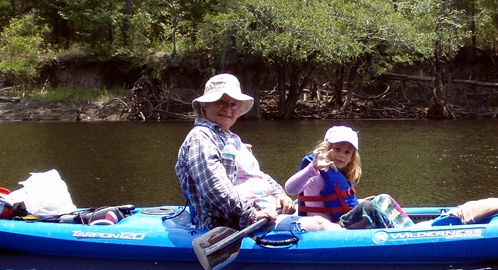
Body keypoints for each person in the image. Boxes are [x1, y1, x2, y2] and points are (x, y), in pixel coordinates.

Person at [175, 73, 295, 230]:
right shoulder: (201, 138)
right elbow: (214, 188)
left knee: (319, 218)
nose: (228, 109)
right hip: (232, 222)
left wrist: (279, 194)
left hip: (265, 211)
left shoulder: (232, 138)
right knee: (319, 225)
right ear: (205, 106)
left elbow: (255, 174)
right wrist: (251, 214)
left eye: (234, 104)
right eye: (221, 102)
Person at [286, 126, 412, 229]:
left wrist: (360, 201)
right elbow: (290, 189)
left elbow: (343, 202)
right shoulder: (317, 172)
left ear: (352, 157)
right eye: (337, 149)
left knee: (383, 198)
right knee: (368, 208)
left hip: (343, 220)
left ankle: (410, 229)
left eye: (347, 152)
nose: (341, 155)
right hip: (331, 227)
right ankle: (398, 236)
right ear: (326, 149)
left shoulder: (340, 173)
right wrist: (311, 169)